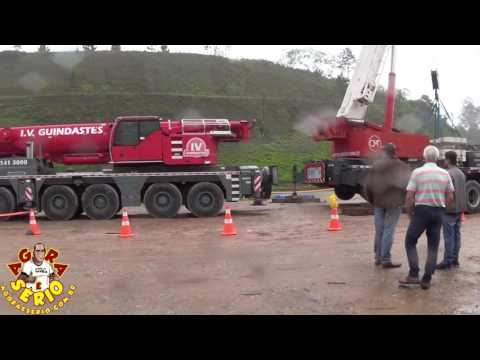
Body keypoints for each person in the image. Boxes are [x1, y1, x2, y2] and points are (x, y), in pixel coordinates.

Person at [399, 145, 454, 290]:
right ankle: (427, 279)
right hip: (438, 212)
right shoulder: (445, 173)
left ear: (424, 157)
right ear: (436, 158)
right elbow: (450, 195)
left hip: (421, 211)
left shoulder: (417, 172)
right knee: (433, 246)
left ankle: (414, 274)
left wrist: (409, 211)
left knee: (410, 241)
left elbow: (410, 195)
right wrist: (443, 209)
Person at [365, 143, 411, 268]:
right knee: (388, 230)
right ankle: (386, 259)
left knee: (379, 230)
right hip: (394, 203)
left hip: (378, 202)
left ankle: (378, 258)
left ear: (384, 152)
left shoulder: (376, 165)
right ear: (394, 152)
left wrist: (371, 200)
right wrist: (405, 200)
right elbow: (407, 185)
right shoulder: (401, 166)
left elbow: (368, 185)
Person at [437, 151, 466, 270]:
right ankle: (455, 259)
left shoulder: (447, 173)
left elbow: (446, 193)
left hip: (449, 210)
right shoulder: (461, 173)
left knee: (448, 236)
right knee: (456, 235)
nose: (444, 162)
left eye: (445, 159)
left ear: (448, 160)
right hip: (460, 209)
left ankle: (447, 261)